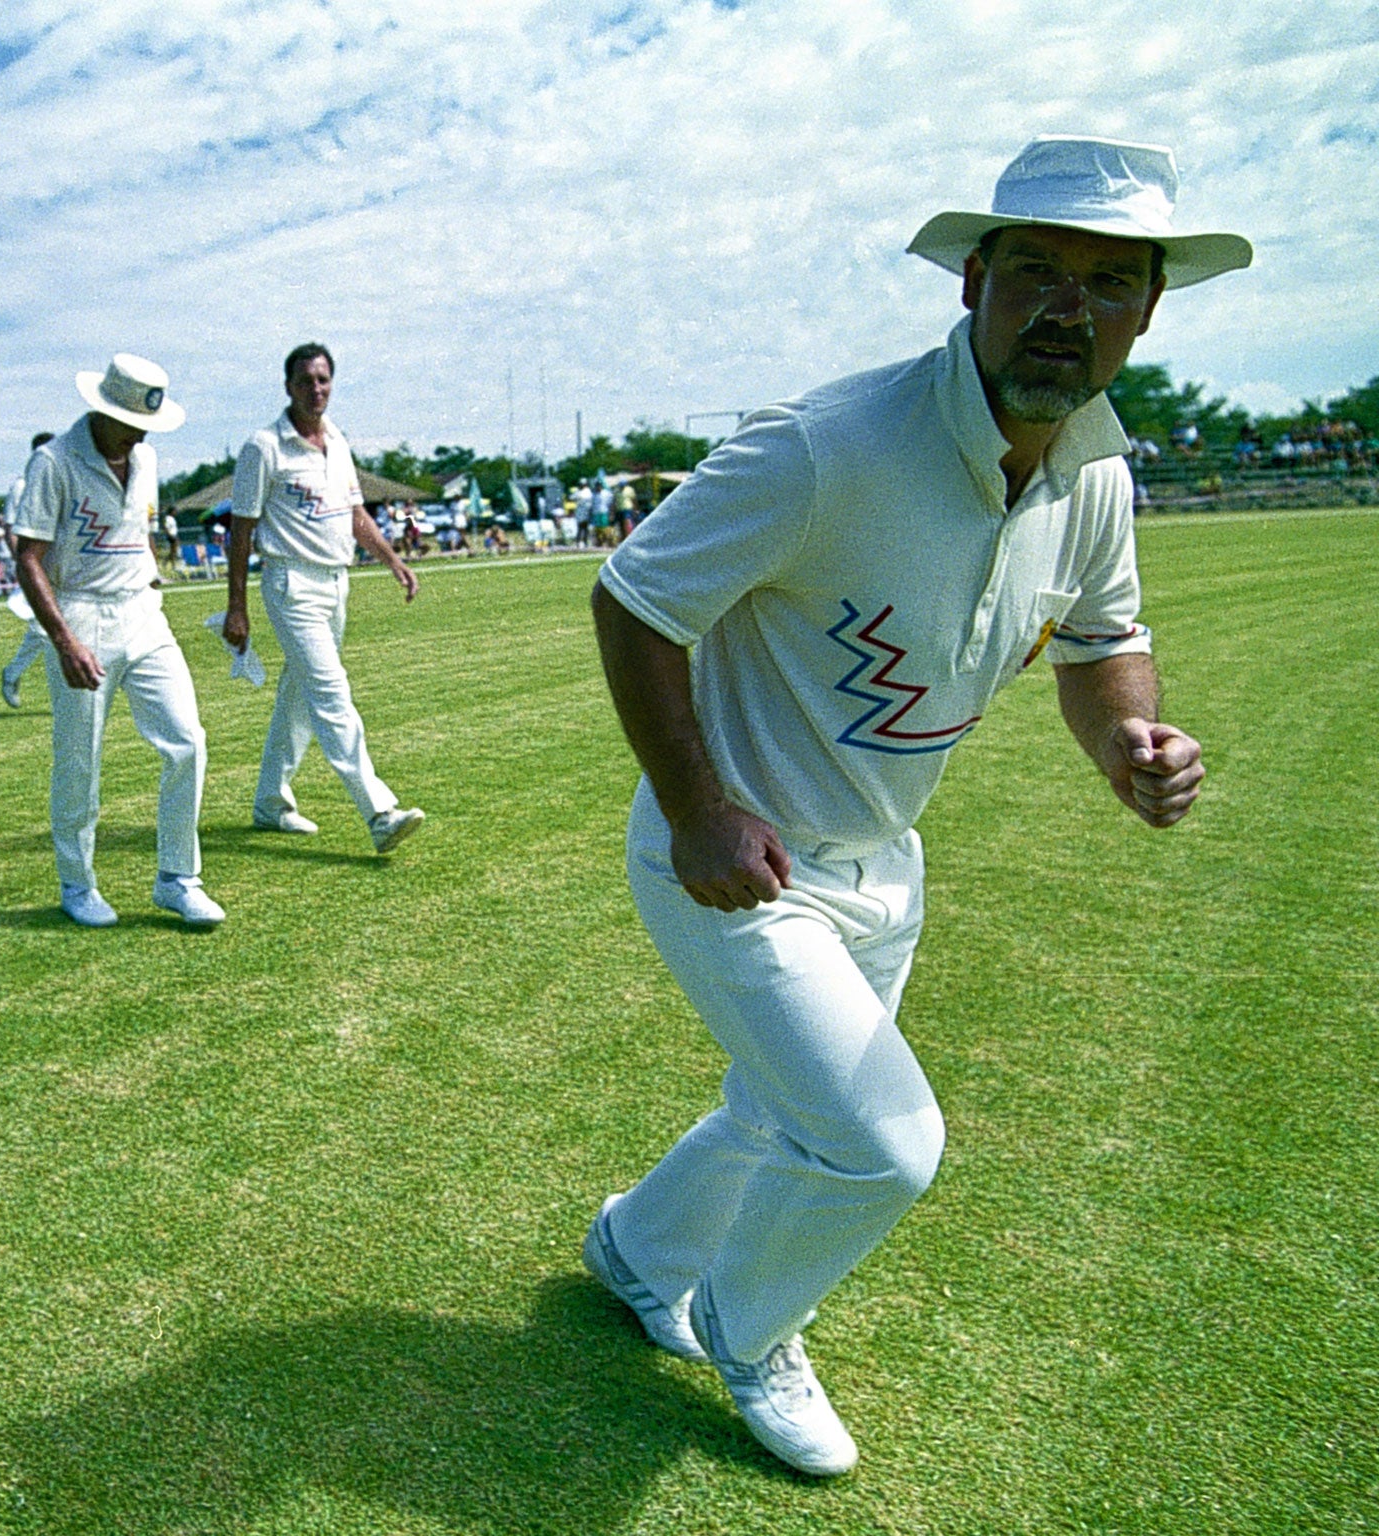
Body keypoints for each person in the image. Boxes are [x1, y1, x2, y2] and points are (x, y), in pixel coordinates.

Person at [581, 135, 1245, 1477]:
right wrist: (700, 806)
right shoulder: (831, 447)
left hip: (885, 857)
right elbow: (637, 598)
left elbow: (1100, 640)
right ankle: (750, 1330)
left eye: (1108, 285)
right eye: (1039, 273)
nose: (1069, 310)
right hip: (738, 859)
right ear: (974, 283)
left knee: (784, 1113)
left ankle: (638, 1253)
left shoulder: (1095, 472)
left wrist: (1129, 737)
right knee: (882, 1147)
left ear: (1149, 310)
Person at [10, 356, 224, 928]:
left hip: (145, 615)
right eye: (129, 420)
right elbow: (27, 556)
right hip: (82, 618)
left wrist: (150, 582)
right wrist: (63, 639)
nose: (140, 433)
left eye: (146, 422)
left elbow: (140, 533)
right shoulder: (52, 461)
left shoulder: (146, 457)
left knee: (188, 741)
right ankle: (77, 885)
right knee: (80, 762)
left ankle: (179, 878)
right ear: (101, 409)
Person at [221, 343, 426, 852]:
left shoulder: (337, 441)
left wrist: (393, 560)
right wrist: (237, 606)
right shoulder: (264, 447)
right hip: (291, 585)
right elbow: (240, 531)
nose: (316, 390)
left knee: (298, 699)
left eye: (324, 380)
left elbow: (356, 515)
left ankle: (271, 801)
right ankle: (379, 812)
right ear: (287, 386)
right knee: (332, 694)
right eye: (306, 381)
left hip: (337, 582)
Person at [1, 431, 56, 709]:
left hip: (60, 567)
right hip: (34, 566)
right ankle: (12, 674)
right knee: (42, 629)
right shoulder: (21, 486)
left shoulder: (58, 482)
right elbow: (10, 529)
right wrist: (24, 565)